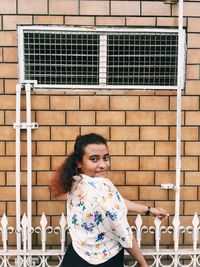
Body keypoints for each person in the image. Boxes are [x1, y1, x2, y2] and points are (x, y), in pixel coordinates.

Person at [50, 133, 168, 267]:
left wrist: (148, 210)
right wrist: (142, 263)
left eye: (105, 158)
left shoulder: (76, 182)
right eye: (94, 159)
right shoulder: (102, 187)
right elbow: (123, 232)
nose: (103, 165)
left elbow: (115, 203)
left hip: (75, 257)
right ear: (79, 162)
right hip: (106, 260)